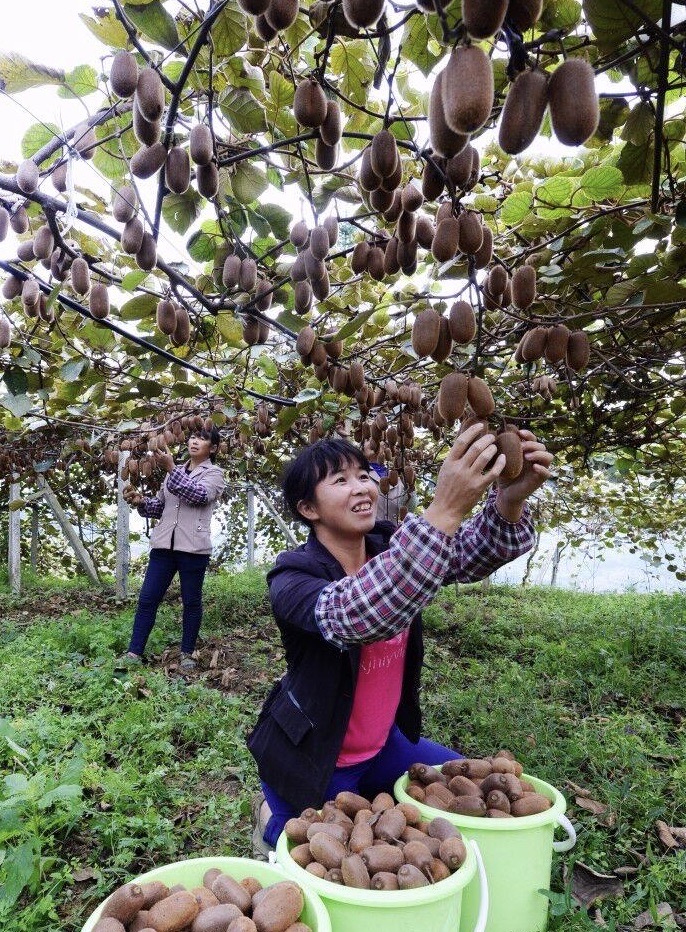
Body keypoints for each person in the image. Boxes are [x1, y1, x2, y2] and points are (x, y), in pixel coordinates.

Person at [247, 424, 553, 857]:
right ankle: (270, 817)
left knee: (475, 789)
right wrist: (443, 509)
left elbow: (466, 555)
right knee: (306, 849)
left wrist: (509, 499)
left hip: (384, 743)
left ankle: (372, 784)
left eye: (363, 474)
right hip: (317, 757)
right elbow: (357, 614)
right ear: (308, 508)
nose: (363, 488)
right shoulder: (291, 577)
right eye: (340, 480)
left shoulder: (389, 543)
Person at [121, 427, 225, 670]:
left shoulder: (215, 474)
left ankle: (187, 653)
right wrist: (142, 502)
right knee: (147, 599)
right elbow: (161, 507)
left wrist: (170, 468)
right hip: (164, 546)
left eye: (202, 438)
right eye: (192, 437)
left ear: (214, 448)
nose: (194, 441)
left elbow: (197, 495)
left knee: (191, 602)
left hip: (193, 548)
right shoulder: (174, 473)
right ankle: (134, 653)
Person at [362, 439, 415, 523]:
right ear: (362, 449)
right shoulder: (358, 473)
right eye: (368, 439)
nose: (374, 441)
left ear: (385, 446)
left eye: (376, 438)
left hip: (392, 534)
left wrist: (410, 485)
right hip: (366, 533)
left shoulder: (397, 476)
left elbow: (410, 509)